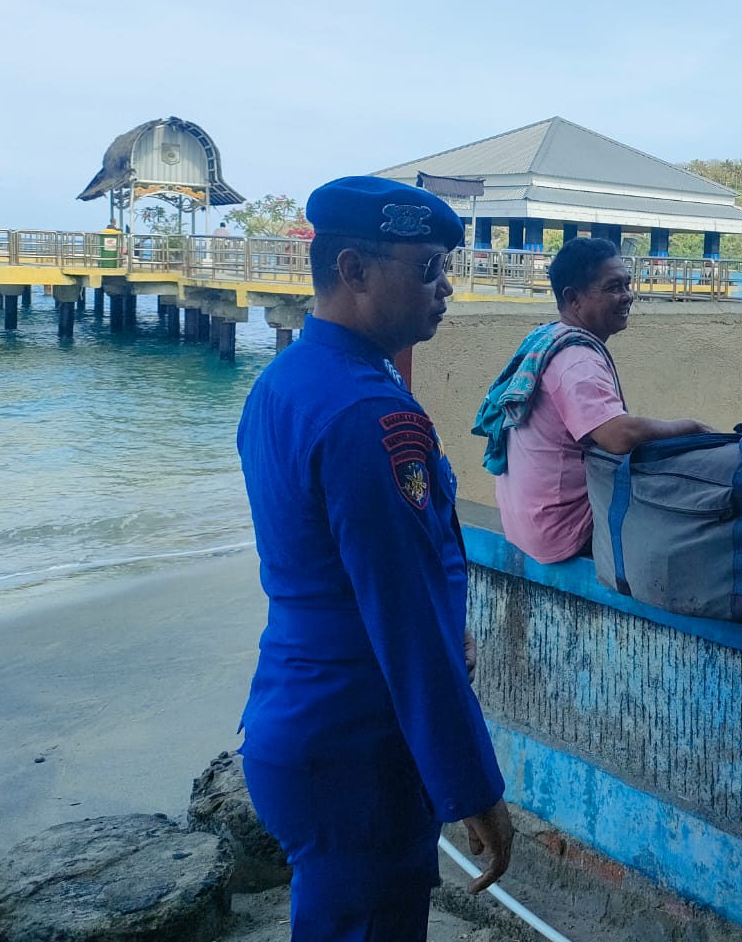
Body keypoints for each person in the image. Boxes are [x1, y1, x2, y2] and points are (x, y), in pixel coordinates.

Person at [237, 175, 514, 940]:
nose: (447, 287)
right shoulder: (369, 412)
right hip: (359, 740)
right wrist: (472, 787)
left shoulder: (286, 380)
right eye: (427, 268)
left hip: (301, 707)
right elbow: (406, 618)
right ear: (354, 270)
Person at [477, 237, 715, 564]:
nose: (627, 296)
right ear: (573, 298)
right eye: (613, 287)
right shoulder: (577, 361)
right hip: (563, 533)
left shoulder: (547, 338)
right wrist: (691, 428)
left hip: (525, 526)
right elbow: (618, 436)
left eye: (627, 285)